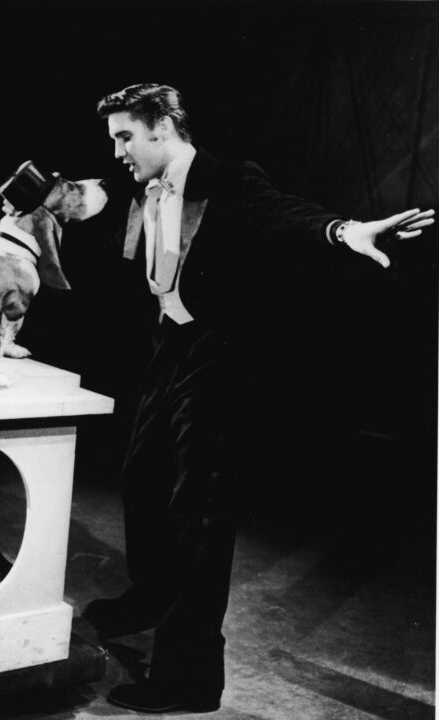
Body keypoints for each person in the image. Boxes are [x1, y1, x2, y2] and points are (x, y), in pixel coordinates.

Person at [72, 83, 434, 713]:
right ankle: (150, 597)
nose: (118, 151)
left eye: (125, 136)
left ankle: (188, 679)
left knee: (198, 518)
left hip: (221, 357)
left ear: (162, 127)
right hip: (171, 348)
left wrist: (346, 231)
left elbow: (284, 213)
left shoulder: (229, 179)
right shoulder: (144, 186)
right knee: (141, 478)